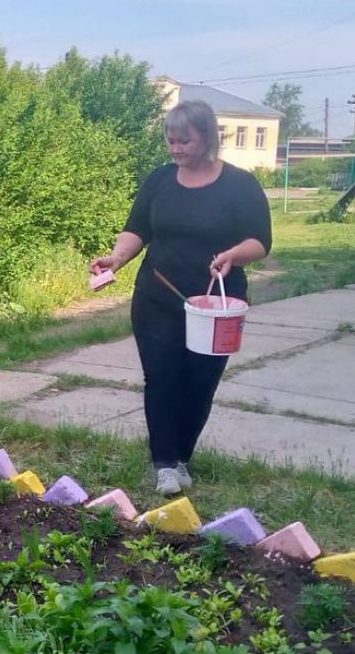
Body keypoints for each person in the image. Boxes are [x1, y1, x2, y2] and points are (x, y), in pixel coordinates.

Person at [90, 100, 271, 495]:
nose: (175, 148)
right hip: (157, 295)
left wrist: (232, 256)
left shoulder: (240, 185)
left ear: (207, 138)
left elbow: (261, 241)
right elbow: (136, 228)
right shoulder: (159, 180)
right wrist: (117, 258)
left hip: (216, 305)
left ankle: (182, 457)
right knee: (162, 377)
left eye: (184, 141)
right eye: (170, 140)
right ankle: (165, 464)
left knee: (201, 381)